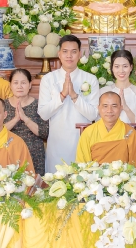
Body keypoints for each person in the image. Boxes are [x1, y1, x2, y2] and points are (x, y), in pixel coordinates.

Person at [38, 35, 99, 173]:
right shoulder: (48, 79)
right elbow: (43, 114)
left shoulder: (90, 79)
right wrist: (62, 95)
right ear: (59, 54)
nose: (69, 55)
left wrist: (74, 96)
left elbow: (93, 115)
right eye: (65, 51)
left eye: (73, 51)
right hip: (57, 141)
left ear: (79, 54)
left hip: (81, 140)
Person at [76, 92, 136, 166]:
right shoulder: (88, 133)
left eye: (114, 106)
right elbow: (83, 165)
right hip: (95, 176)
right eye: (105, 106)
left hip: (123, 177)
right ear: (98, 108)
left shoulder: (130, 133)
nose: (109, 110)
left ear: (121, 108)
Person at [4, 69, 49, 176]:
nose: (19, 86)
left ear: (30, 85)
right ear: (10, 85)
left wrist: (25, 118)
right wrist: (15, 119)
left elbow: (44, 133)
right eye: (16, 83)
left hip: (34, 155)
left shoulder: (39, 105)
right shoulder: (3, 105)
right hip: (9, 155)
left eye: (23, 83)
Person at [100, 49, 136, 129]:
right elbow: (99, 122)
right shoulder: (103, 92)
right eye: (117, 66)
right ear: (112, 68)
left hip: (131, 139)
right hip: (108, 139)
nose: (121, 71)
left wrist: (125, 107)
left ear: (131, 67)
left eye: (125, 66)